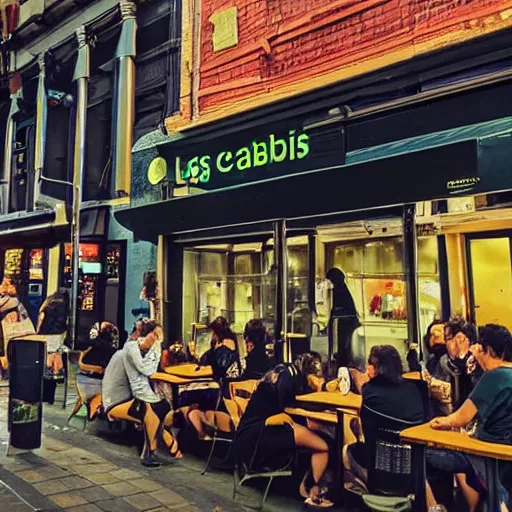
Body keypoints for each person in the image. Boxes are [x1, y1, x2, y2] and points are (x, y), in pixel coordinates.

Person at [426, 324, 512, 512]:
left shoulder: (495, 377)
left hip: (485, 452)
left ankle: (434, 507)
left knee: (423, 456)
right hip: (505, 454)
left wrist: (439, 422)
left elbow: (460, 418)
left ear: (488, 350)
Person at [235, 355, 334, 508]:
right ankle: (312, 493)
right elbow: (288, 406)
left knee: (316, 432)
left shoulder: (284, 371)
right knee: (323, 446)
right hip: (259, 439)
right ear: (309, 373)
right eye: (317, 377)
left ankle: (307, 486)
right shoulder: (287, 379)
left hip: (247, 436)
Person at [343, 345, 426, 488]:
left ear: (377, 368)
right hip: (415, 464)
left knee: (346, 451)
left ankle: (369, 486)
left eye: (370, 363)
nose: (367, 367)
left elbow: (366, 426)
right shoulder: (415, 388)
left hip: (379, 463)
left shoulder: (369, 391)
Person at [102, 320, 182, 466]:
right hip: (115, 401)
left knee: (157, 406)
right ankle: (152, 450)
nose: (157, 341)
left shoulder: (134, 351)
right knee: (150, 408)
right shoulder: (130, 351)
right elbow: (148, 374)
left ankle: (157, 445)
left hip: (125, 398)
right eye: (156, 336)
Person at [326, 268, 359, 368]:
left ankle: (343, 363)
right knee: (344, 345)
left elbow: (345, 307)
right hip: (345, 320)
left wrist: (333, 312)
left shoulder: (340, 290)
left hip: (346, 321)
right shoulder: (342, 288)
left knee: (345, 345)